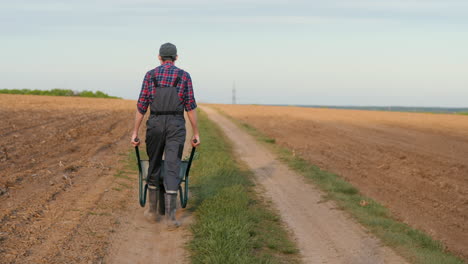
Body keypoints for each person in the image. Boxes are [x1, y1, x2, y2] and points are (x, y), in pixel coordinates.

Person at [131, 43, 200, 229]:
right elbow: (191, 107)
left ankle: (153, 212)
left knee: (153, 164)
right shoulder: (184, 76)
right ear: (176, 57)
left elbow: (141, 106)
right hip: (176, 125)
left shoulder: (150, 75)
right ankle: (171, 218)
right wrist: (196, 133)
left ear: (159, 57)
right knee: (172, 165)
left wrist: (135, 132)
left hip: (155, 123)